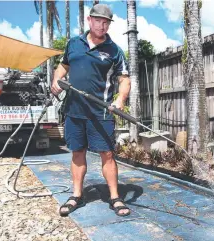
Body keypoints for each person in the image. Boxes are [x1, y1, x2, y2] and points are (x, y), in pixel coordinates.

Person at [51, 4, 131, 217]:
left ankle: (115, 197)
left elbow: (124, 79)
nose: (102, 25)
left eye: (106, 22)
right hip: (74, 110)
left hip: (101, 112)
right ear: (89, 20)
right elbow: (63, 66)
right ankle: (76, 195)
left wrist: (121, 99)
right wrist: (55, 80)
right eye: (98, 21)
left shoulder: (114, 51)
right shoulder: (73, 44)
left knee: (107, 154)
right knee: (78, 152)